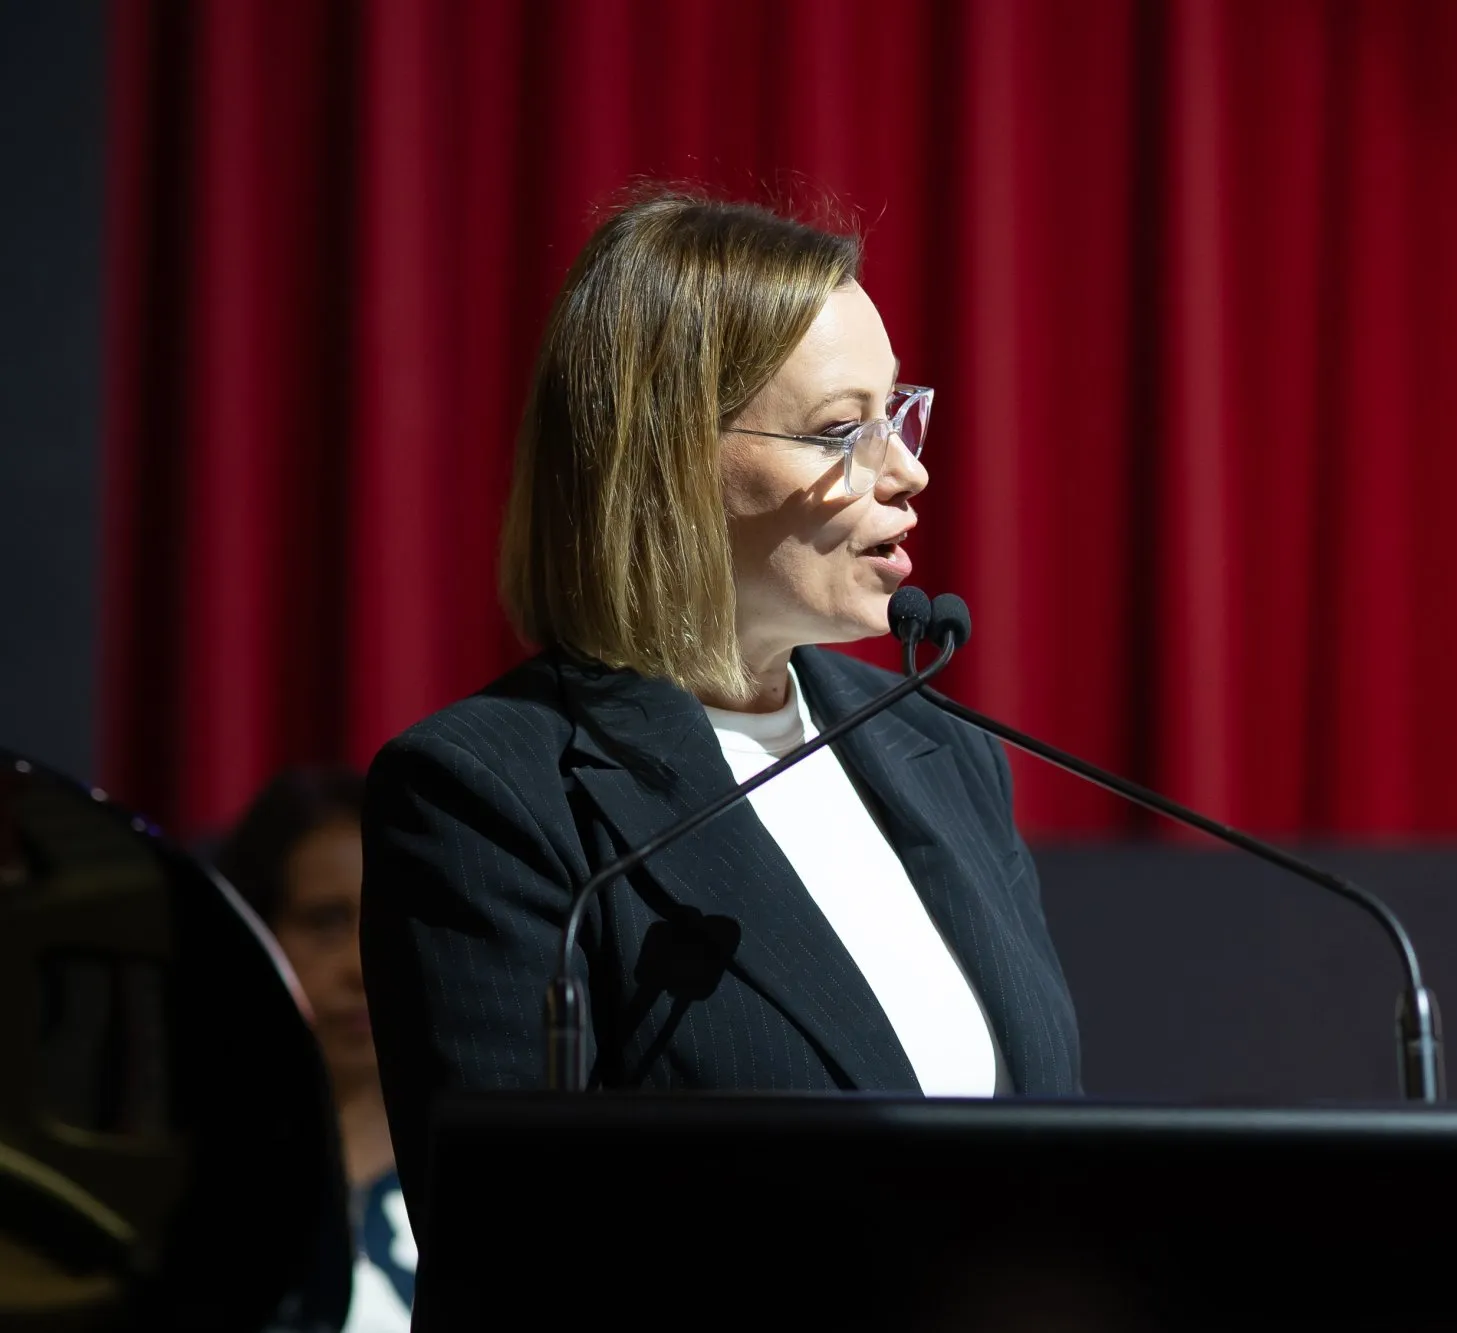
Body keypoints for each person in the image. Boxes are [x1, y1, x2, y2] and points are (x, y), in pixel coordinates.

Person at [359, 190, 1082, 1233]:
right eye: (844, 430)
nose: (908, 470)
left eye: (899, 412)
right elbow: (520, 1260)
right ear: (669, 462)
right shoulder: (491, 796)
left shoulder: (939, 750)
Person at [215, 767, 416, 1333]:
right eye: (326, 923)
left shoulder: (490, 1192)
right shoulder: (194, 1183)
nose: (361, 966)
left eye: (386, 924)